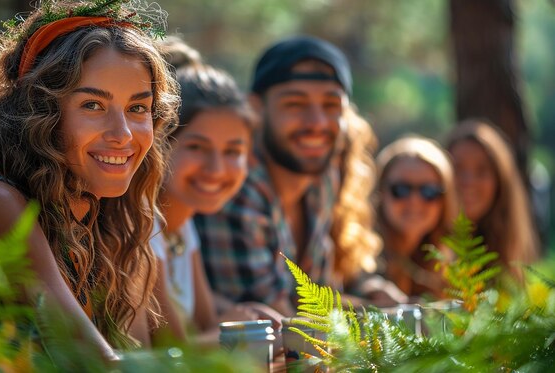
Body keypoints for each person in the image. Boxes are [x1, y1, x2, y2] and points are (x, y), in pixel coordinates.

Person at [0, 0, 179, 360]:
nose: (123, 134)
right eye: (93, 105)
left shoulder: (98, 218)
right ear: (41, 112)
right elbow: (93, 364)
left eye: (138, 108)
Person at [194, 36, 352, 316]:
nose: (317, 123)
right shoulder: (237, 187)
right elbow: (287, 324)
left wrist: (376, 294)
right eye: (295, 104)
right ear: (256, 108)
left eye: (331, 105)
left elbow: (321, 298)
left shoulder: (323, 179)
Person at [149, 41, 281, 345]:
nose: (216, 168)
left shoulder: (184, 227)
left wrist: (248, 317)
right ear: (160, 144)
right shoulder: (145, 226)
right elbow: (172, 350)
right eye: (197, 147)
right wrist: (239, 331)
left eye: (233, 151)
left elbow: (206, 322)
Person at [331, 109, 408, 306]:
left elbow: (353, 276)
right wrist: (366, 306)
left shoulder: (348, 219)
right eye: (401, 189)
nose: (415, 200)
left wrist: (370, 287)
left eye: (339, 153)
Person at [446, 119, 540, 280]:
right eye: (457, 168)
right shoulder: (422, 255)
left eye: (482, 171)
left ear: (501, 183)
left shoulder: (515, 260)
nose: (469, 181)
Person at [375, 136, 458, 298]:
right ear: (380, 192)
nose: (414, 201)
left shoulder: (448, 268)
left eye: (429, 191)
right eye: (401, 189)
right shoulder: (358, 258)